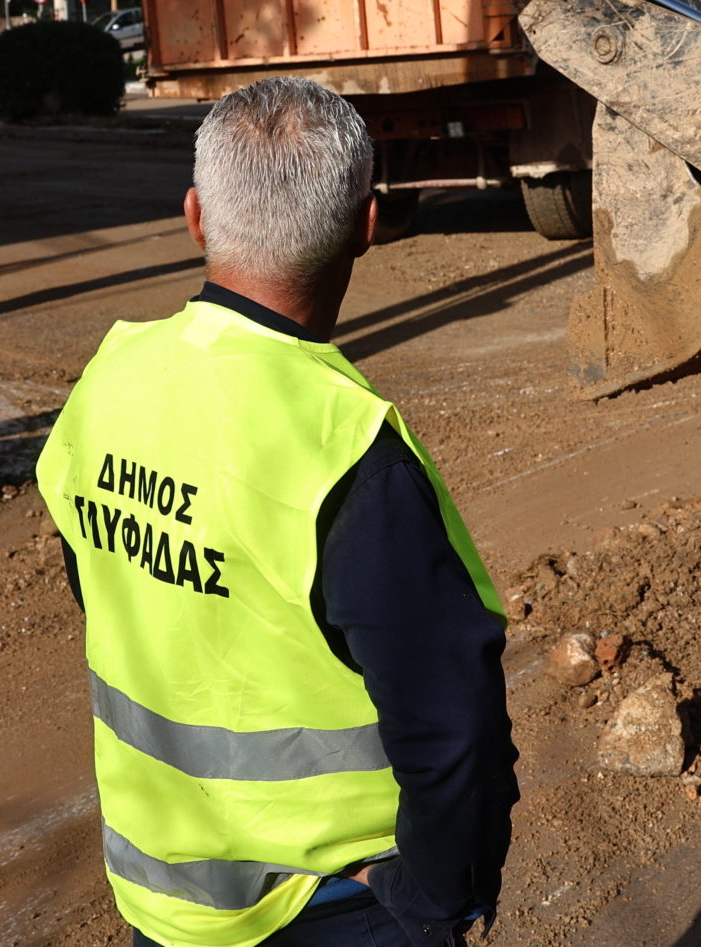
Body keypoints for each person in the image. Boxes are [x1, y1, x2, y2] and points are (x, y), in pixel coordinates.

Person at [38, 76, 518, 947]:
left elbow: (104, 580)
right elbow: (454, 724)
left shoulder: (109, 380)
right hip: (336, 908)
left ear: (195, 216)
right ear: (367, 227)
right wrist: (442, 892)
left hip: (168, 900)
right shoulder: (344, 445)